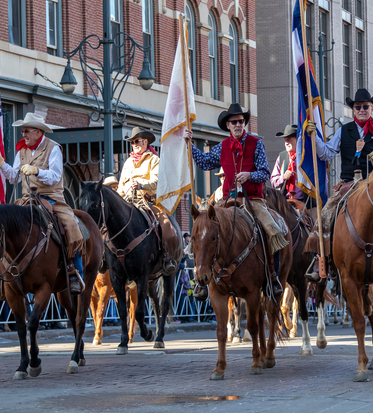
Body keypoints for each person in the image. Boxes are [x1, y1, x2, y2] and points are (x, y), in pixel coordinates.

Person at [184, 103, 288, 298]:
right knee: (204, 229)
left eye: (241, 121)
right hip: (227, 200)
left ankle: (272, 276)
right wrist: (189, 145)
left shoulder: (256, 144)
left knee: (273, 230)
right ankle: (203, 279)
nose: (239, 124)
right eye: (234, 122)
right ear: (228, 125)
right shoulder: (222, 147)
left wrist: (249, 175)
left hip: (253, 200)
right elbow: (204, 162)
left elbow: (265, 172)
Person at [304, 88, 373, 281]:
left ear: (372, 109)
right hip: (347, 184)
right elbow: (326, 153)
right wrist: (315, 138)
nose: (361, 109)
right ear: (353, 110)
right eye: (358, 107)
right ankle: (320, 260)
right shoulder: (343, 131)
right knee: (326, 215)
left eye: (365, 106)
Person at [0, 112, 86, 295]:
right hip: (27, 199)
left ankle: (75, 271)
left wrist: (36, 171)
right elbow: (13, 178)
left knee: (71, 225)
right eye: (22, 131)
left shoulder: (53, 148)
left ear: (38, 131)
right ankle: (0, 277)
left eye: (26, 131)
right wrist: (2, 164)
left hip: (51, 198)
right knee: (4, 227)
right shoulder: (21, 151)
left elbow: (55, 176)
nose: (23, 135)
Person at [117, 127, 181, 273]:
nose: (135, 144)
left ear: (145, 142)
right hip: (128, 202)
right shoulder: (127, 163)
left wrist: (141, 185)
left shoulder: (154, 159)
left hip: (148, 201)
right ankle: (107, 257)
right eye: (132, 142)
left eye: (137, 141)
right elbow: (121, 186)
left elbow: (157, 180)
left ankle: (167, 256)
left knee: (165, 223)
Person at [270, 124, 317, 207]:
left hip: (306, 203)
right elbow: (273, 182)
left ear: (297, 140)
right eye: (285, 140)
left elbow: (320, 180)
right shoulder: (281, 157)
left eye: (289, 140)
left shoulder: (307, 158)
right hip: (285, 202)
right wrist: (283, 177)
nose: (286, 143)